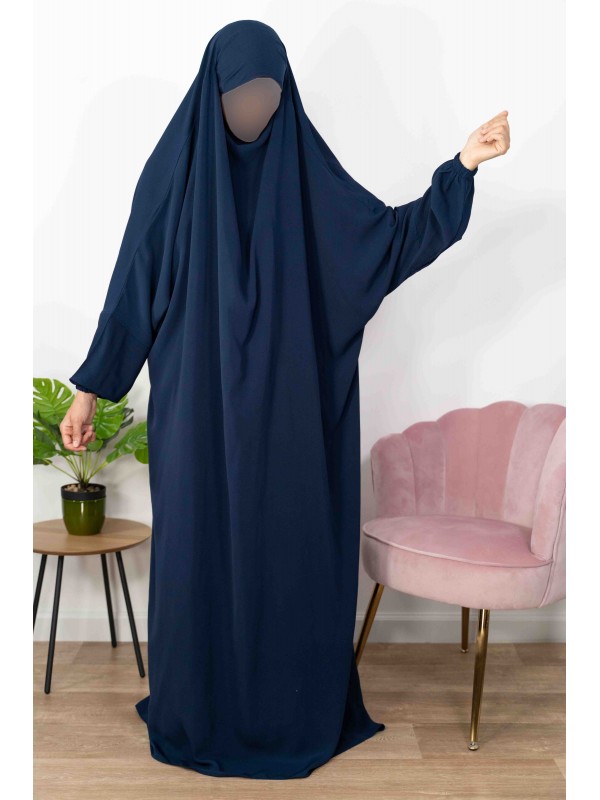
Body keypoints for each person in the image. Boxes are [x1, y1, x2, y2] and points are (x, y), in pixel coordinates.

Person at [60, 19, 509, 780]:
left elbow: (387, 243)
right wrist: (91, 390)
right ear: (212, 92)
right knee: (198, 550)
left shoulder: (307, 175)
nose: (255, 110)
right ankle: (198, 707)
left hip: (293, 408)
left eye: (269, 95)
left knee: (290, 548)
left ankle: (288, 709)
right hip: (198, 409)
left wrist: (462, 165)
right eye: (241, 95)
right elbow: (132, 289)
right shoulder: (172, 176)